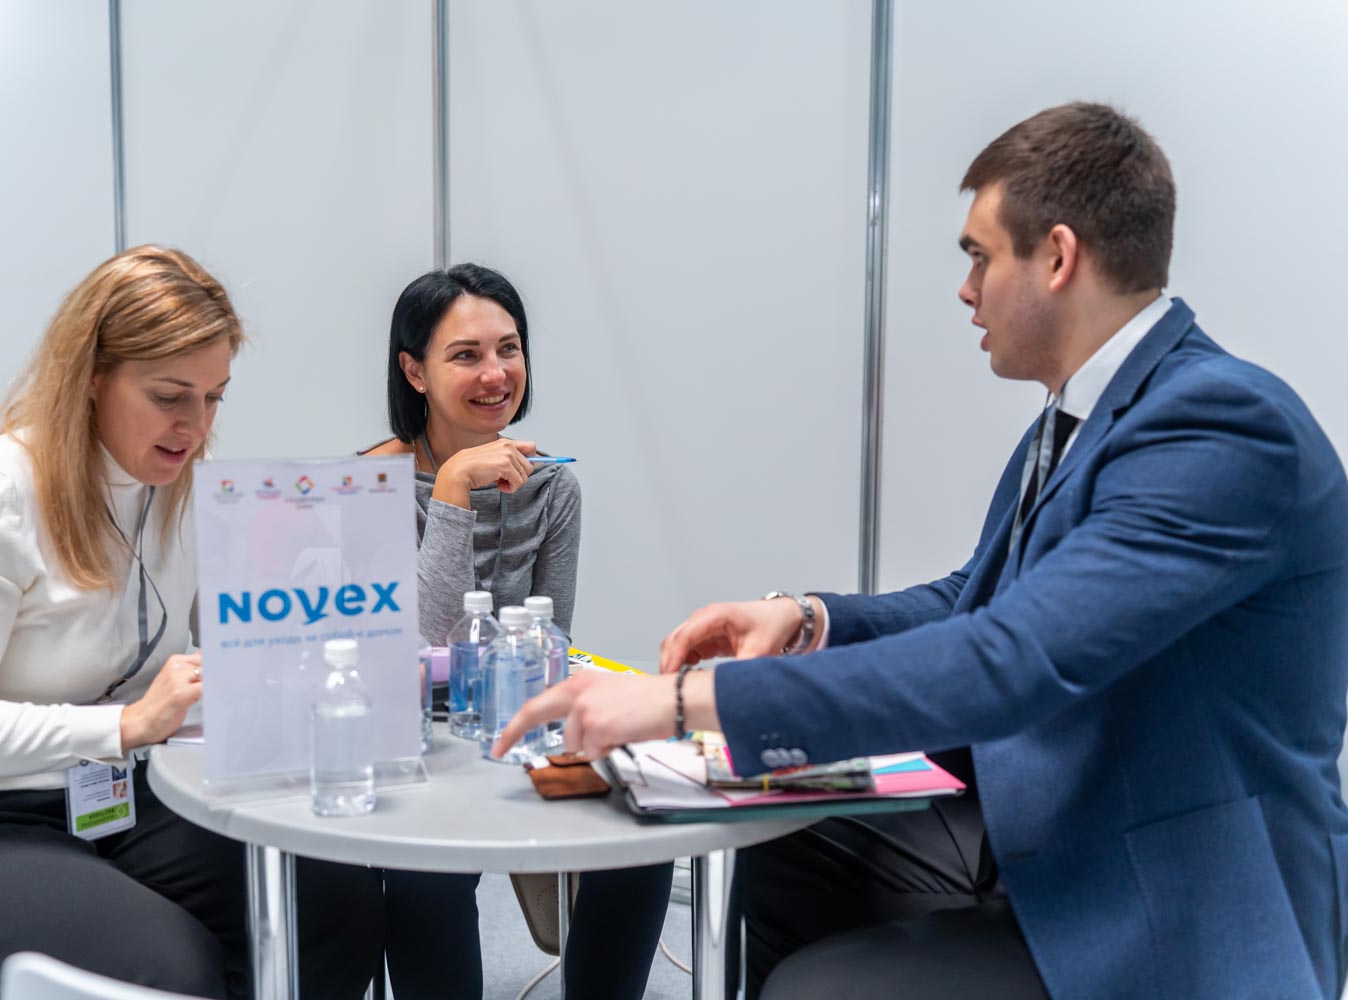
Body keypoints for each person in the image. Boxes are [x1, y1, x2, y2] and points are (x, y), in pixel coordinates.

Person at [498, 102, 1348, 1000]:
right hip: (1046, 826)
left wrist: (682, 703)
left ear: (1058, 258)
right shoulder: (1083, 415)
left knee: (819, 991)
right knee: (789, 850)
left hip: (1167, 896)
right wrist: (809, 618)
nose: (965, 289)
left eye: (980, 256)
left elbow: (1010, 658)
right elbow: (978, 600)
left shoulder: (1218, 426)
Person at [0, 246, 384, 999]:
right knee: (168, 971)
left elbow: (232, 642)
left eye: (214, 398)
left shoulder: (174, 488)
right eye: (170, 396)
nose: (194, 426)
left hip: (102, 800)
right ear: (92, 377)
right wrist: (126, 724)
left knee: (333, 906)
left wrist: (343, 641)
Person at [363, 262, 672, 1000]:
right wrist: (452, 489)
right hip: (411, 738)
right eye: (465, 355)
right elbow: (428, 644)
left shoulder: (552, 485)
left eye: (509, 349)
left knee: (643, 837)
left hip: (517, 717)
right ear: (414, 370)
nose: (496, 374)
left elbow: (551, 634)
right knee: (428, 876)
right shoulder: (366, 488)